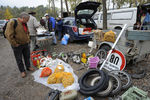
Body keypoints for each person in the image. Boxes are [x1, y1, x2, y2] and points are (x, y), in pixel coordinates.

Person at [5, 12, 34, 78]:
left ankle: (28, 67)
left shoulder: (24, 23)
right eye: (27, 20)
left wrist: (28, 39)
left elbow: (27, 32)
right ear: (23, 18)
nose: (28, 21)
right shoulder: (13, 22)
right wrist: (14, 43)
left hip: (25, 44)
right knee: (19, 59)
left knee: (27, 56)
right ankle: (22, 71)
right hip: (17, 45)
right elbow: (8, 35)